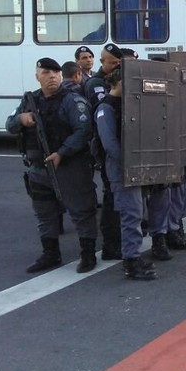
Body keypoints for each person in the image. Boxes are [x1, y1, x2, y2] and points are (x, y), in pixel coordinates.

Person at [6, 58, 99, 274]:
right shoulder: (30, 101)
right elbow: (9, 124)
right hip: (38, 167)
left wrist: (62, 152)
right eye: (46, 72)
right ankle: (50, 253)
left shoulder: (72, 101)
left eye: (56, 72)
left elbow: (84, 130)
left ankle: (88, 254)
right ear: (37, 76)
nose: (52, 77)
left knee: (81, 210)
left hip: (69, 165)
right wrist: (21, 119)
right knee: (44, 213)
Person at [93, 67, 163, 279]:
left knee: (135, 213)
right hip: (122, 168)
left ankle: (132, 257)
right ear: (120, 83)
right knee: (131, 215)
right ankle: (131, 261)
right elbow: (111, 145)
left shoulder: (124, 104)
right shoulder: (106, 108)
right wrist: (130, 163)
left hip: (132, 166)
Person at [82, 43, 124, 260]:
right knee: (112, 198)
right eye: (113, 63)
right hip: (106, 151)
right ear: (103, 63)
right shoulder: (97, 84)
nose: (117, 66)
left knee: (119, 199)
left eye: (119, 63)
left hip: (115, 149)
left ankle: (117, 239)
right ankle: (110, 243)